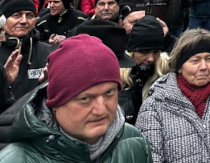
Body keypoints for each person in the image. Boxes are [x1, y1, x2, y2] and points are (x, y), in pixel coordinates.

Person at [0, 34, 152, 162]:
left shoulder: (135, 142)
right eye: (85, 99)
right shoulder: (15, 159)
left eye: (109, 93)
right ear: (55, 102)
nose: (100, 110)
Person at [136, 29, 210, 163]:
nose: (204, 67)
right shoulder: (155, 105)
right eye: (195, 60)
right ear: (179, 66)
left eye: (209, 59)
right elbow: (152, 158)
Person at [0, 0, 52, 113]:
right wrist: (4, 82)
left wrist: (46, 84)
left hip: (36, 123)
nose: (24, 20)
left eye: (29, 15)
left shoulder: (49, 52)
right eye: (16, 15)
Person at [119, 15, 168, 124]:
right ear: (132, 52)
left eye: (156, 52)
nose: (151, 58)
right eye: (144, 52)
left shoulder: (166, 71)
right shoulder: (118, 75)